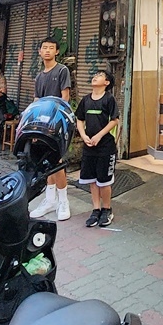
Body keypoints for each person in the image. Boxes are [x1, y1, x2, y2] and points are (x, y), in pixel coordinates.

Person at [30, 37, 73, 221]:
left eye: (51, 48)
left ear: (57, 51)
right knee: (46, 162)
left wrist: (57, 122)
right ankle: (50, 200)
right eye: (44, 48)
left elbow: (65, 98)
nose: (47, 50)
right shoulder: (39, 76)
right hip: (40, 125)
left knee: (56, 162)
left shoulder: (62, 70)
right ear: (40, 51)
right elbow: (36, 101)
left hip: (55, 124)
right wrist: (31, 124)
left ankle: (63, 201)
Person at [76, 69, 120, 228]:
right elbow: (79, 119)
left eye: (100, 75)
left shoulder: (109, 99)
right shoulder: (86, 100)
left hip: (105, 147)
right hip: (89, 146)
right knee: (92, 181)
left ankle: (107, 209)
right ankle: (96, 209)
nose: (95, 77)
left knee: (104, 181)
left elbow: (114, 120)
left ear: (107, 83)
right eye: (94, 75)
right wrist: (83, 135)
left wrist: (99, 136)